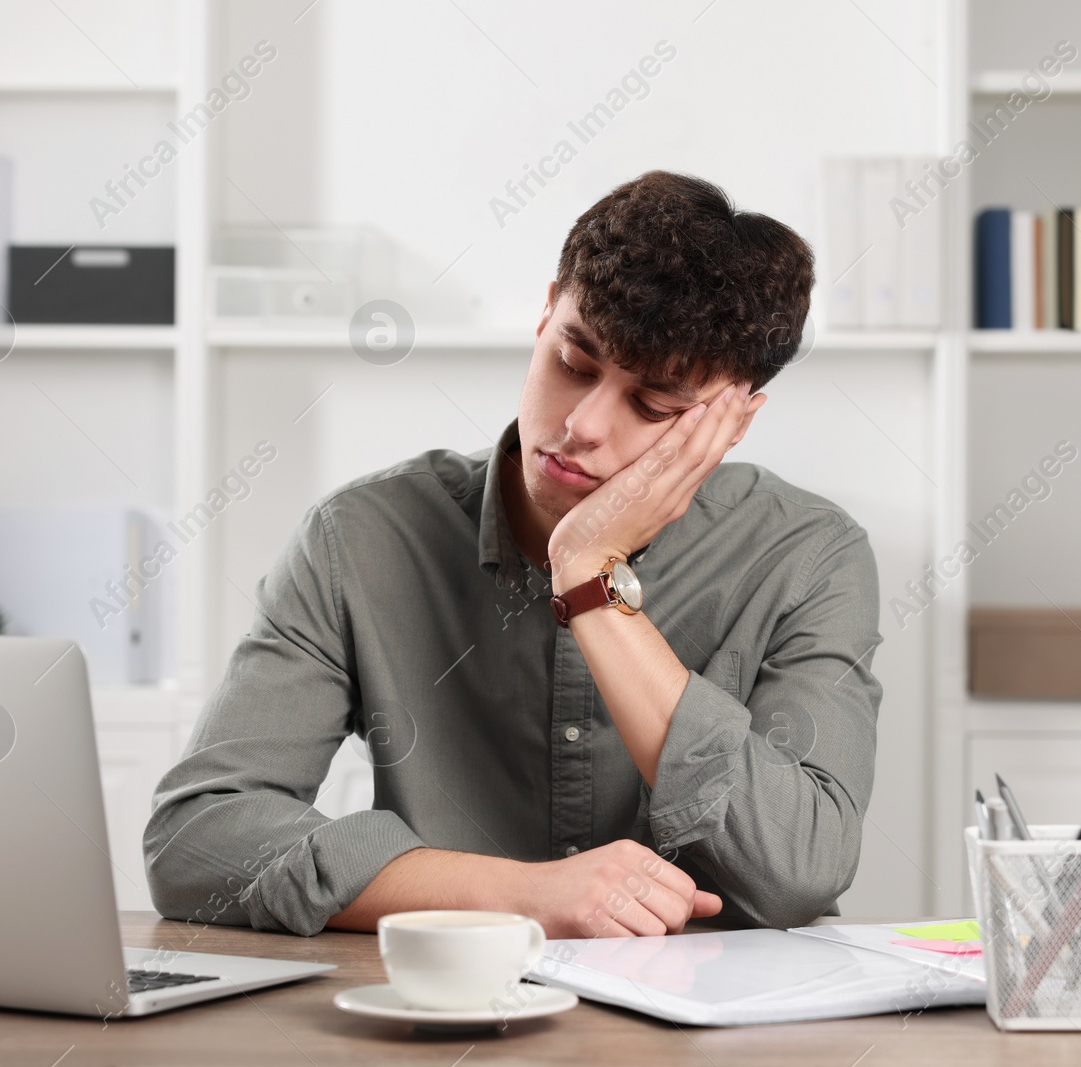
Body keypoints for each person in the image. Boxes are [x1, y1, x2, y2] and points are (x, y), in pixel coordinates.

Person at [144, 170, 883, 939]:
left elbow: (799, 868)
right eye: (575, 361)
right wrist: (522, 895)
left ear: (734, 423)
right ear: (543, 316)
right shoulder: (359, 539)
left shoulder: (807, 557)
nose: (586, 424)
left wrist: (592, 577)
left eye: (654, 404)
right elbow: (197, 837)